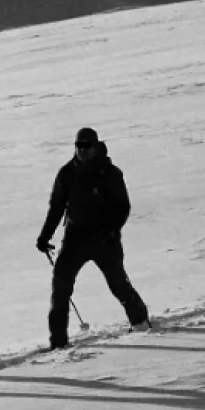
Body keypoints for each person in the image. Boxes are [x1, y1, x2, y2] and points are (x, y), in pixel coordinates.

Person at [37, 125, 149, 348]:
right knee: (60, 288)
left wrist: (112, 230)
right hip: (74, 238)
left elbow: (122, 207)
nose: (82, 150)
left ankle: (141, 323)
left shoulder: (110, 173)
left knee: (118, 284)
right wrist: (44, 237)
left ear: (96, 146)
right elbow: (56, 207)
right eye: (79, 145)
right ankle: (58, 343)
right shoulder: (67, 173)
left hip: (104, 239)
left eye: (87, 145)